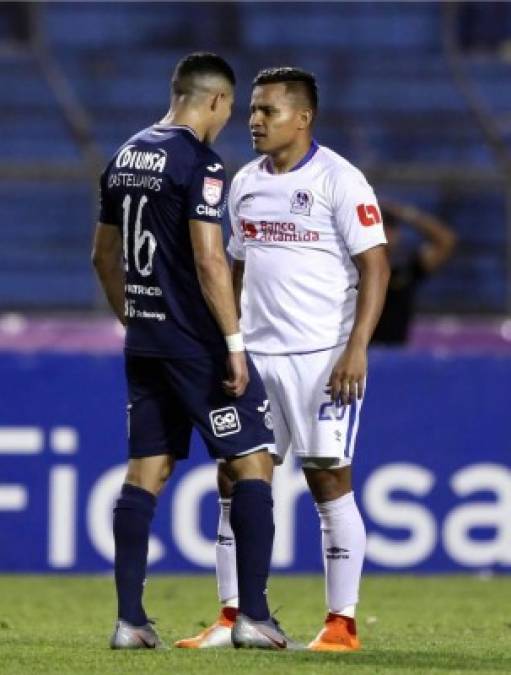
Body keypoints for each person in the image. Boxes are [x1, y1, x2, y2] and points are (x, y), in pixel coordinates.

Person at [175, 67, 390, 652]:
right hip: (257, 360)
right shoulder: (244, 183)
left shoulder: (340, 181)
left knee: (328, 482)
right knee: (236, 480)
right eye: (252, 110)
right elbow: (236, 270)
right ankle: (233, 615)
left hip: (323, 360)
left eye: (268, 111)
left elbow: (377, 267)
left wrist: (356, 349)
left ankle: (341, 625)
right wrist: (231, 339)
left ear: (303, 117)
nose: (254, 121)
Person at [92, 53, 298, 651]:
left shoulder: (123, 156)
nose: (231, 119)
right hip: (195, 344)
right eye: (233, 108)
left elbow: (102, 258)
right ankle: (254, 616)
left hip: (146, 342)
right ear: (214, 101)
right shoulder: (200, 163)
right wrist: (232, 344)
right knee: (252, 461)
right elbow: (211, 260)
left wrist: (137, 320)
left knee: (146, 472)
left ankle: (130, 621)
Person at [372, 200, 457, 345]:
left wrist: (406, 214)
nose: (385, 233)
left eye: (390, 226)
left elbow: (446, 240)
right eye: (380, 226)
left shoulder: (407, 266)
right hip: (358, 352)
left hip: (395, 352)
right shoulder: (353, 266)